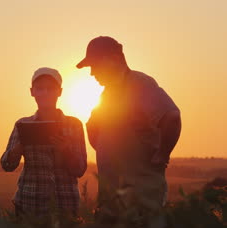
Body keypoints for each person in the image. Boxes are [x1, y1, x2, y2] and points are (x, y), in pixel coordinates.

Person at [76, 36, 182, 218]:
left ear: (115, 58)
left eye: (95, 65)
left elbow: (172, 118)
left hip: (141, 200)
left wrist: (163, 154)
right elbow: (93, 128)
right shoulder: (107, 94)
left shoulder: (140, 85)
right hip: (111, 202)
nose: (92, 73)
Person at [0, 67, 87, 217]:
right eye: (40, 89)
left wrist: (65, 150)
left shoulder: (74, 125)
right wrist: (20, 147)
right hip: (29, 203)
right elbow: (7, 165)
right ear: (32, 92)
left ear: (59, 92)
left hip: (65, 204)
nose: (45, 93)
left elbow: (79, 169)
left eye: (50, 89)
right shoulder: (22, 124)